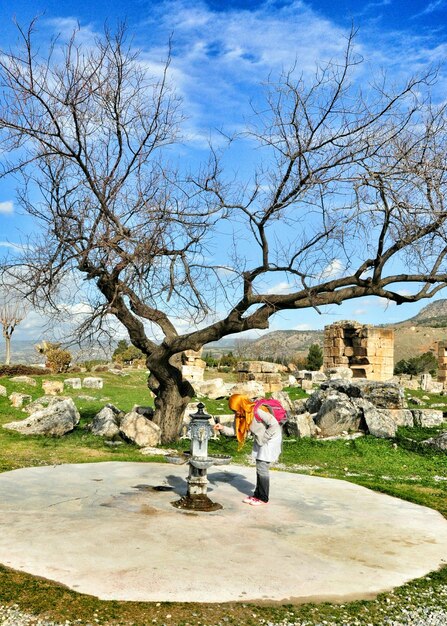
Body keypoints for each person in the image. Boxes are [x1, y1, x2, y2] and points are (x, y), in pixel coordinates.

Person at [214, 393, 282, 506]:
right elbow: (234, 431)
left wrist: (264, 438)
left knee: (262, 466)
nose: (235, 413)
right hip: (261, 439)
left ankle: (263, 497)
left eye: (236, 410)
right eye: (233, 411)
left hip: (270, 438)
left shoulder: (257, 411)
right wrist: (222, 428)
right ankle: (257, 494)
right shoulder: (240, 415)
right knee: (259, 466)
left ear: (241, 405)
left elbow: (274, 424)